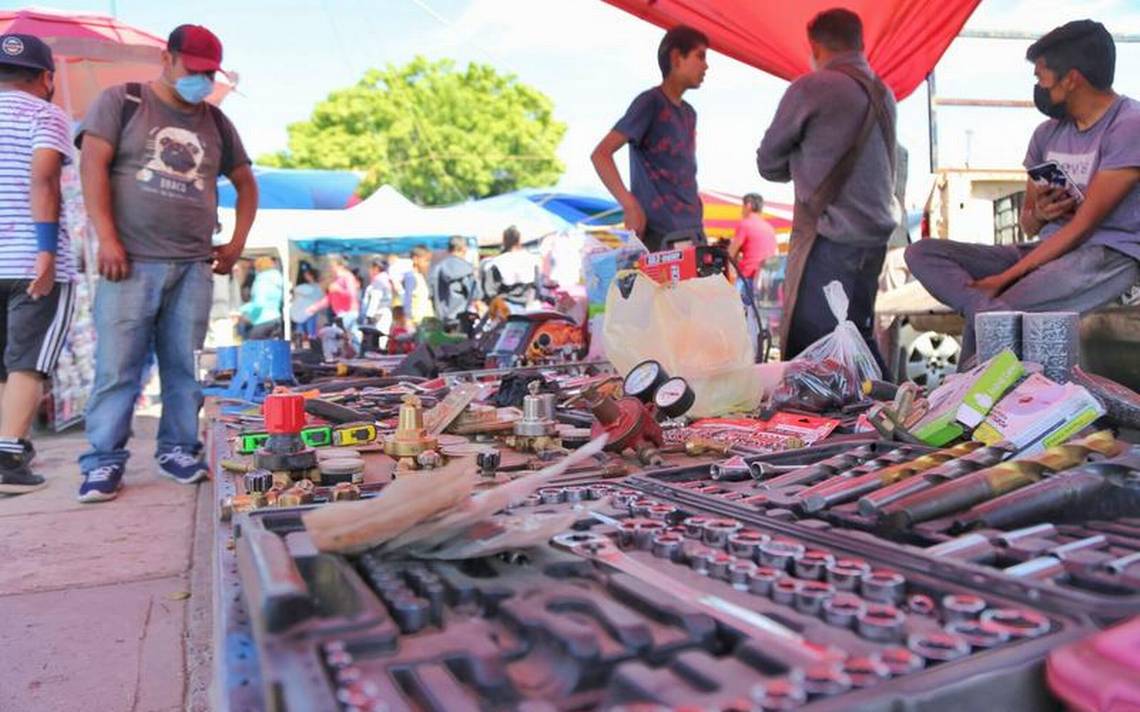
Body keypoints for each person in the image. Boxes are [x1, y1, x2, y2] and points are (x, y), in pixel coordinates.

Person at [75, 24, 257, 502]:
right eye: (192, 69)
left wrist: (237, 243)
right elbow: (91, 165)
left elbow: (245, 182)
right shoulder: (123, 102)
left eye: (207, 73)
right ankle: (103, 461)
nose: (200, 80)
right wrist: (107, 238)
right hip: (130, 262)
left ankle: (178, 448)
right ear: (168, 59)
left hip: (193, 264)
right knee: (118, 368)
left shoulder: (216, 123)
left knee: (183, 367)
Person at [906, 20, 1140, 364]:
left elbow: (1084, 227)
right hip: (1045, 249)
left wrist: (1001, 280)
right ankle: (982, 311)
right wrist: (1041, 214)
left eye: (1041, 76)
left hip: (1106, 256)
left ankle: (968, 402)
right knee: (922, 254)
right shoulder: (1046, 135)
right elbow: (1028, 223)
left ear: (1071, 79)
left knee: (998, 314)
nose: (1038, 86)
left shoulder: (1128, 125)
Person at [757, 8, 897, 372]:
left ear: (816, 47)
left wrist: (801, 162)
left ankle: (815, 428)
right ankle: (885, 414)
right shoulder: (885, 95)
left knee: (812, 355)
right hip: (874, 241)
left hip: (829, 240)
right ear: (860, 44)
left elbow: (768, 162)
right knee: (858, 338)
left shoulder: (811, 88)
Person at [0, 34, 76, 494]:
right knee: (28, 361)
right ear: (46, 77)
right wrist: (45, 250)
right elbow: (44, 179)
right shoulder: (46, 114)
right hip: (31, 258)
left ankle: (6, 448)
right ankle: (9, 455)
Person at [591, 25, 708, 252]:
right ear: (676, 57)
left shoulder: (689, 113)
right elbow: (601, 154)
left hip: (693, 232)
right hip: (659, 235)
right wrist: (629, 204)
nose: (706, 65)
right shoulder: (650, 103)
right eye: (700, 56)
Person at [727, 193, 778, 298]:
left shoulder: (745, 224)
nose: (742, 210)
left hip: (748, 278)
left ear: (748, 206)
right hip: (766, 280)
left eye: (742, 206)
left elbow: (730, 253)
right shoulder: (769, 228)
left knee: (739, 312)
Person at [484, 225, 541, 311]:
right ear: (519, 240)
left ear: (504, 240)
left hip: (504, 307)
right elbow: (537, 286)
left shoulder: (498, 262)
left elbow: (490, 290)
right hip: (527, 307)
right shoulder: (532, 259)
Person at [430, 236, 481, 331]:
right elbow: (476, 296)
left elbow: (431, 295)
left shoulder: (436, 269)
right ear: (463, 248)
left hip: (441, 321)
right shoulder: (466, 269)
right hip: (462, 321)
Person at [307, 255, 360, 338]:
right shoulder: (336, 280)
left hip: (348, 313)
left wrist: (339, 290)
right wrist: (315, 307)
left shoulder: (347, 277)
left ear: (340, 266)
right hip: (341, 314)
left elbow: (352, 295)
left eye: (333, 266)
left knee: (339, 336)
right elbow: (329, 299)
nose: (331, 269)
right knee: (345, 338)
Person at [239, 256, 283, 339]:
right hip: (276, 318)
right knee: (270, 349)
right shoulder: (277, 280)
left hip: (261, 320)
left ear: (259, 267)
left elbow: (259, 303)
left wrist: (242, 309)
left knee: (253, 348)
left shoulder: (261, 281)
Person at [360, 257, 394, 347]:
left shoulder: (379, 280)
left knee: (377, 341)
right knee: (382, 339)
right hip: (384, 312)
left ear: (376, 268)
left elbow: (375, 298)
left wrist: (369, 316)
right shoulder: (386, 278)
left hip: (379, 314)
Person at [289, 262, 322, 345]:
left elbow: (294, 292)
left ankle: (303, 345)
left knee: (305, 332)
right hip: (307, 312)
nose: (305, 275)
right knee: (308, 332)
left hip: (306, 312)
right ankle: (308, 346)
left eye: (307, 274)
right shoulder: (316, 287)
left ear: (311, 276)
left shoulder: (310, 287)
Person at [402, 245, 434, 326]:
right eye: (426, 261)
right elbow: (407, 298)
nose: (428, 264)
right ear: (415, 259)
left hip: (427, 321)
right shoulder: (411, 277)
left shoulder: (421, 276)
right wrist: (408, 319)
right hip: (417, 322)